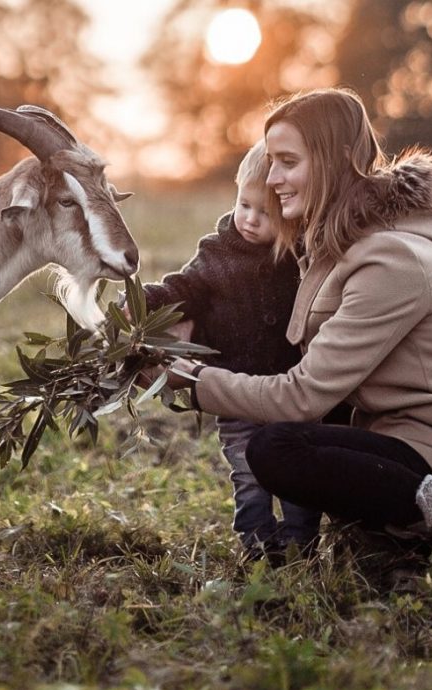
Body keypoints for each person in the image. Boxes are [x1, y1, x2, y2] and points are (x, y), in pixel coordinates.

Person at [162, 87, 432, 555]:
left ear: (338, 159)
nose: (271, 179)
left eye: (287, 161)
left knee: (276, 450)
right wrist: (186, 325)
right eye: (270, 162)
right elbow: (254, 312)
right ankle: (401, 534)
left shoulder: (391, 258)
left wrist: (193, 382)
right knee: (291, 448)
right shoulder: (333, 246)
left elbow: (305, 394)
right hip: (396, 441)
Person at [141, 139, 337, 561]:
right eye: (243, 205)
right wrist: (145, 300)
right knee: (247, 475)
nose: (249, 219)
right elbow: (183, 288)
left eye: (264, 213)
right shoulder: (217, 253)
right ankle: (258, 546)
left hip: (289, 393)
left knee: (298, 477)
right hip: (232, 392)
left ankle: (301, 543)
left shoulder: (300, 256)